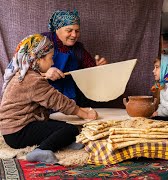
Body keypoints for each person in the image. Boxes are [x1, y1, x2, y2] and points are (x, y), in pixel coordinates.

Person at [0, 34, 98, 164]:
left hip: (14, 130)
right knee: (70, 129)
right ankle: (40, 150)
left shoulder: (25, 74)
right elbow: (58, 101)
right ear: (39, 59)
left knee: (59, 125)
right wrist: (84, 113)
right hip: (18, 132)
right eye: (51, 58)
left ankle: (63, 142)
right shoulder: (32, 80)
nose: (52, 63)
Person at [41, 9, 107, 102]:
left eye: (77, 31)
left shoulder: (78, 49)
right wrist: (44, 73)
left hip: (70, 101)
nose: (74, 35)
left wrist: (98, 69)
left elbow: (92, 74)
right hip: (43, 101)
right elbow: (20, 73)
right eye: (69, 30)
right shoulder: (40, 43)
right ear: (57, 29)